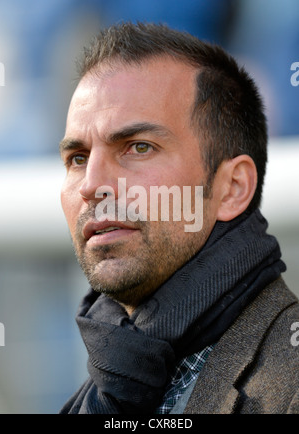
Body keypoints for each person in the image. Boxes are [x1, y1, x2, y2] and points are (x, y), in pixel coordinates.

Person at [59, 22, 299, 414]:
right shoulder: (96, 394)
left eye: (138, 147)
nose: (91, 185)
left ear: (233, 188)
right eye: (78, 158)